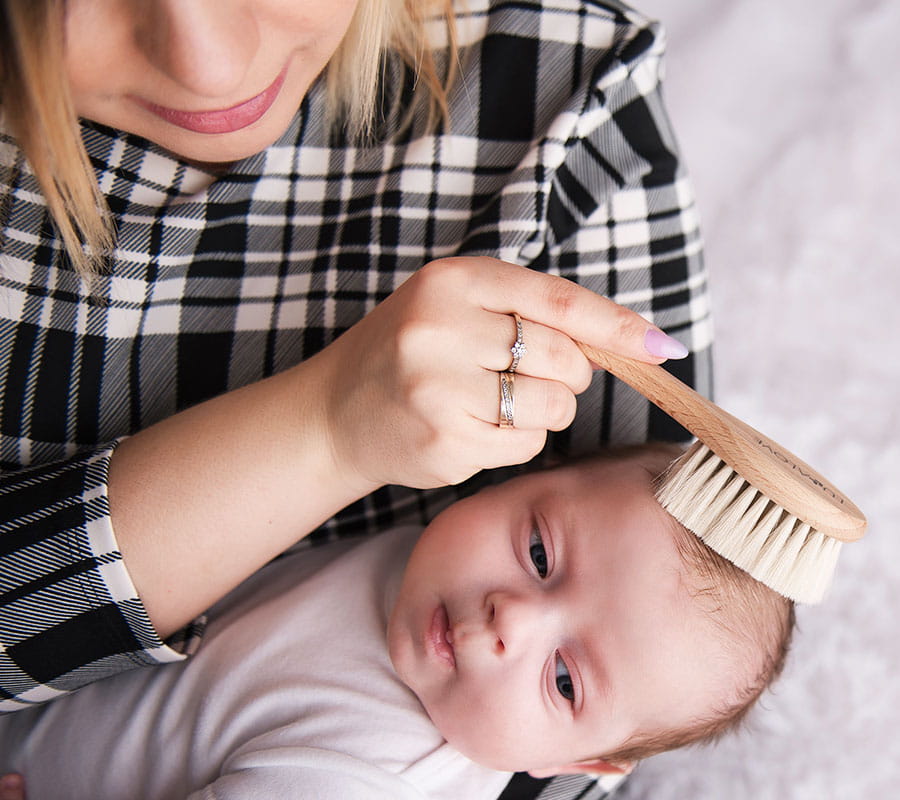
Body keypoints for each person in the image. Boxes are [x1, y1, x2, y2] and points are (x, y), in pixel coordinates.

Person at [1, 1, 710, 797]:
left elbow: (654, 677)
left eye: (566, 681)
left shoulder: (563, 94)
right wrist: (326, 430)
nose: (211, 66)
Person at [0, 445, 795, 799]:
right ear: (517, 480)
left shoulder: (377, 777)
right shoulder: (421, 554)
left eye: (563, 681)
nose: (510, 620)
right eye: (541, 554)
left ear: (578, 764)